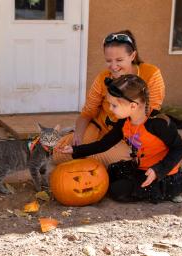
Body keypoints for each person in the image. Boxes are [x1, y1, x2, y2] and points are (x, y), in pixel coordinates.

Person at [58, 74, 182, 203]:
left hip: (161, 173)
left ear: (133, 106)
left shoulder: (158, 123)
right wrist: (75, 150)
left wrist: (158, 170)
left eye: (114, 105)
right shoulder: (125, 121)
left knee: (118, 191)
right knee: (110, 173)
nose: (109, 108)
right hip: (140, 167)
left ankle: (168, 191)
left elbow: (180, 148)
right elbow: (104, 144)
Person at [53, 30, 165, 166]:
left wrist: (88, 149)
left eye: (119, 60)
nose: (113, 66)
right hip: (99, 129)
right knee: (58, 153)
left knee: (96, 159)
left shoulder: (151, 74)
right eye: (108, 60)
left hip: (128, 137)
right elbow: (88, 112)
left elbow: (149, 114)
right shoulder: (102, 78)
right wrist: (78, 135)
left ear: (132, 55)